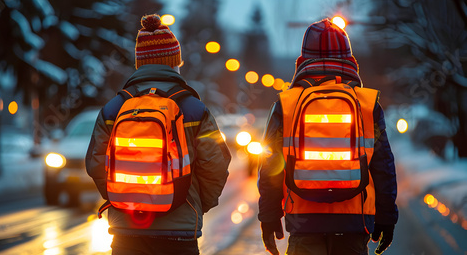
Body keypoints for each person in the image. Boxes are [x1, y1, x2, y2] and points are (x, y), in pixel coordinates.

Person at [86, 14, 231, 255]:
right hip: (179, 233)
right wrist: (192, 202)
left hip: (126, 233)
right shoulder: (194, 109)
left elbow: (95, 163)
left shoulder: (113, 109)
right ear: (174, 63)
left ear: (139, 64)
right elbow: (216, 164)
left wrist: (121, 197)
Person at [258, 18, 398, 255]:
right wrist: (386, 216)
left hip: (303, 220)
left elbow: (271, 163)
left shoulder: (287, 104)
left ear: (302, 60)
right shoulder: (366, 105)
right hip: (354, 221)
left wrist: (269, 216)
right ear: (350, 60)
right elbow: (383, 164)